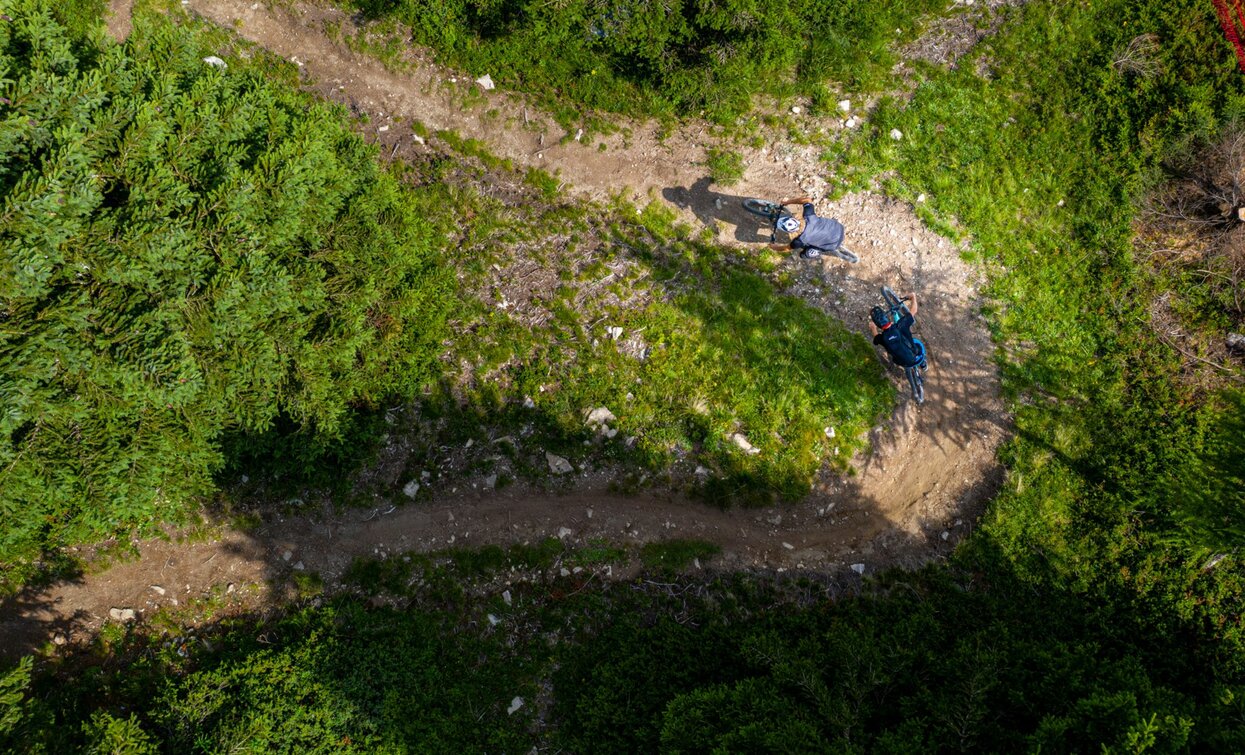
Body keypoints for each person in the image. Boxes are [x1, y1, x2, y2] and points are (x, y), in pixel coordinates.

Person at [768, 196, 846, 260]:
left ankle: (816, 251)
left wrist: (774, 247)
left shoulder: (799, 241)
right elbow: (807, 199)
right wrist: (787, 202)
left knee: (803, 255)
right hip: (838, 227)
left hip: (832, 245)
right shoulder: (808, 216)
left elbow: (786, 248)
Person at [869, 293, 928, 370]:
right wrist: (913, 297)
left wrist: (873, 328)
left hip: (903, 363)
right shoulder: (901, 325)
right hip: (915, 357)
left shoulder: (882, 338)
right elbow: (914, 310)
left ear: (878, 325)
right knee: (916, 342)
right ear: (887, 317)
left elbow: (876, 337)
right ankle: (923, 364)